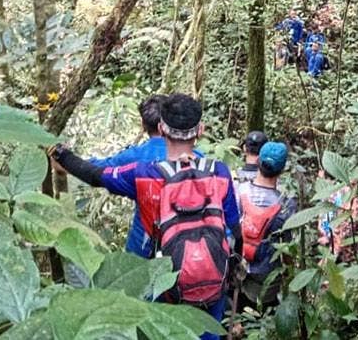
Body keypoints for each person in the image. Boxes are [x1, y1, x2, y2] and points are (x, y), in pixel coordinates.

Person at [50, 93, 241, 340]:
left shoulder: (143, 175)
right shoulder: (219, 172)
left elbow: (95, 174)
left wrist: (60, 153)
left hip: (161, 278)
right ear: (200, 130)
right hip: (211, 274)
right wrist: (234, 267)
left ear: (162, 128)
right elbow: (235, 231)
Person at [86, 94, 201, 258]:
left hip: (143, 246)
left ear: (143, 125)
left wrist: (62, 157)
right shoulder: (199, 159)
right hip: (188, 247)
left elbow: (96, 169)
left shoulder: (134, 157)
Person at [234, 141, 297, 312]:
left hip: (238, 274)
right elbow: (287, 247)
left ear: (258, 161)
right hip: (268, 282)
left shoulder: (239, 190)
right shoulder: (286, 204)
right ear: (282, 170)